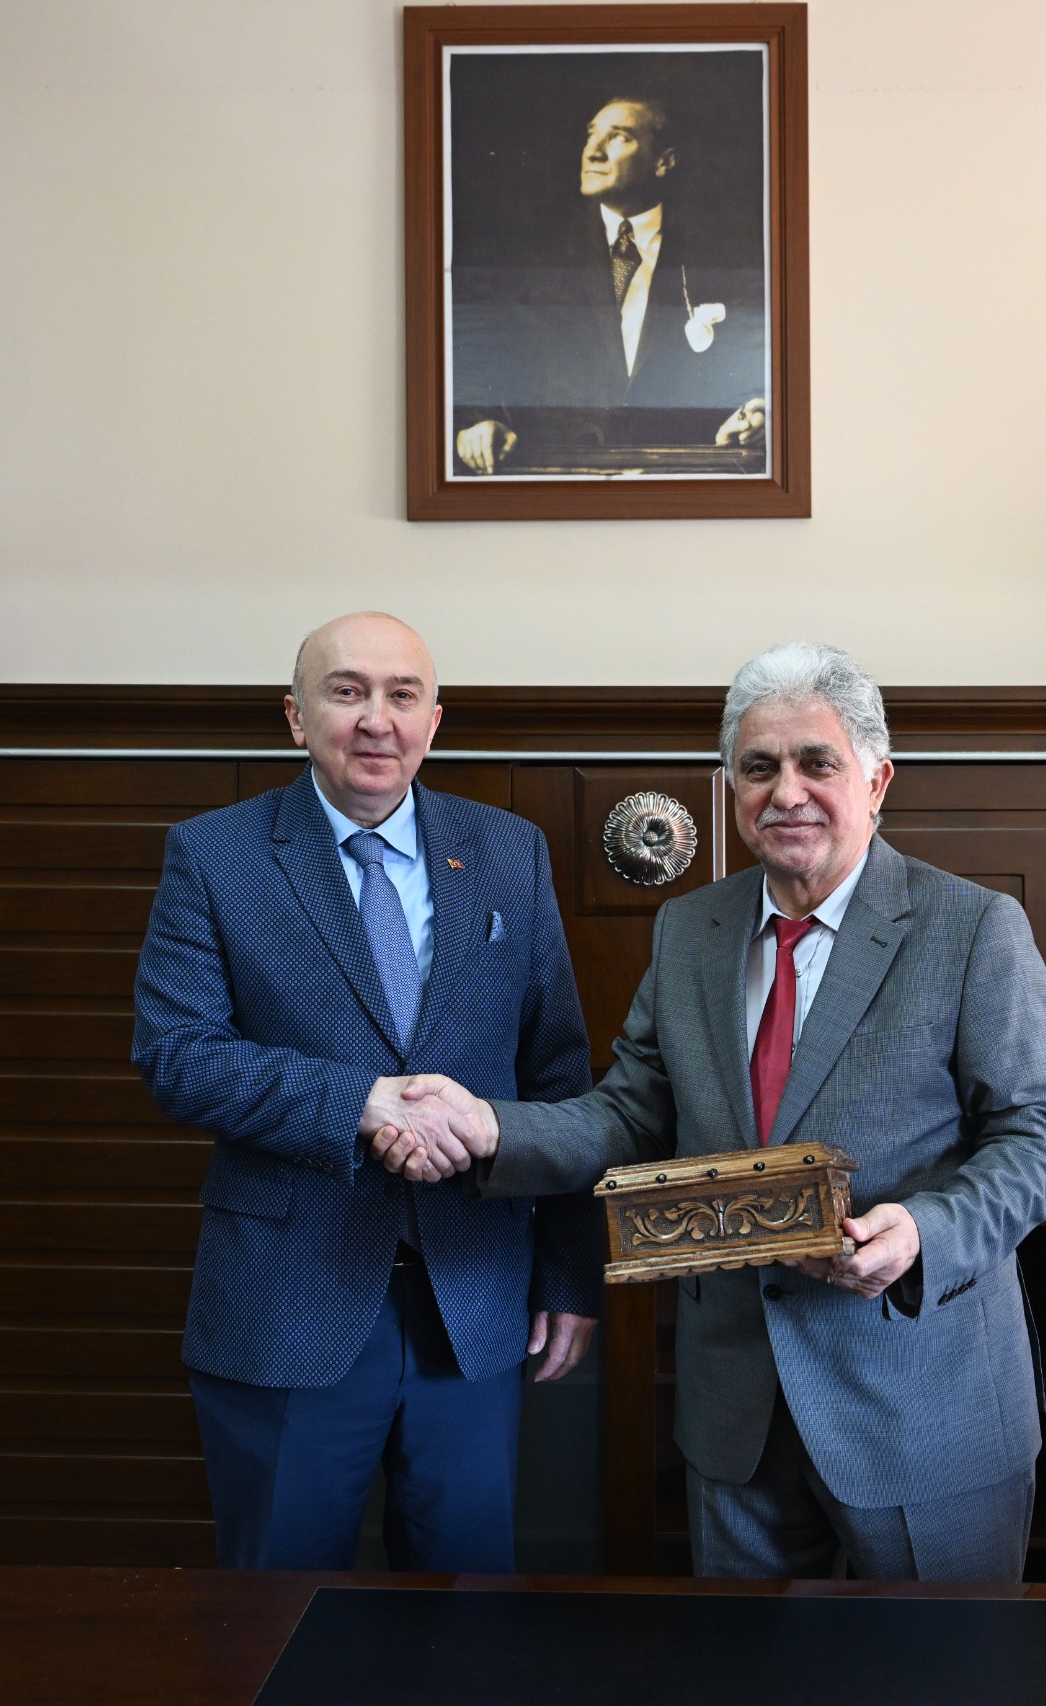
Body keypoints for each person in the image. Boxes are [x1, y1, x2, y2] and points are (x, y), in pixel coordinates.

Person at [372, 642, 1046, 1582]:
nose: (786, 792)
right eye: (758, 767)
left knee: (941, 1662)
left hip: (922, 1406)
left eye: (817, 763)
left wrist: (922, 1232)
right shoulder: (690, 931)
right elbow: (628, 1116)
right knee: (744, 1660)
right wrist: (491, 1129)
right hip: (735, 1411)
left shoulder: (974, 927)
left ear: (877, 781)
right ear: (731, 788)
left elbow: (1039, 1140)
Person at [130, 611, 601, 1571]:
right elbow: (177, 1054)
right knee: (277, 1615)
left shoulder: (509, 851)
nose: (376, 720)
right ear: (296, 716)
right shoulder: (215, 855)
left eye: (402, 695)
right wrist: (358, 1103)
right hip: (286, 1303)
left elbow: (558, 1077)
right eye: (347, 692)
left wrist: (567, 1274)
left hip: (473, 1302)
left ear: (434, 720)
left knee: (468, 1614)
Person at [452, 95, 768, 474]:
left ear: (663, 162)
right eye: (591, 135)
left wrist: (745, 420)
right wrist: (478, 425)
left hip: (675, 477)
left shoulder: (720, 255)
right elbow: (488, 355)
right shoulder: (534, 252)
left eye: (619, 137)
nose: (593, 152)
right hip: (556, 476)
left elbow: (746, 371)